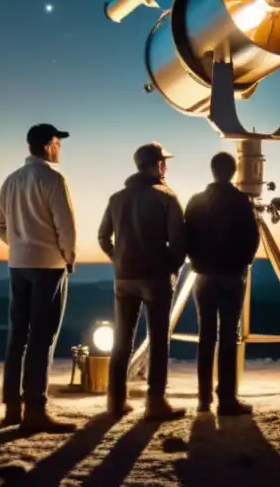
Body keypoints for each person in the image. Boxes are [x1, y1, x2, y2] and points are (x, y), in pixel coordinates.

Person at [0, 123, 78, 433]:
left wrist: (19, 246)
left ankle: (12, 407)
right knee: (43, 337)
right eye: (58, 143)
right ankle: (36, 409)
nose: (60, 149)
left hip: (18, 265)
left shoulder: (11, 180)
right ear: (48, 146)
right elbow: (65, 226)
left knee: (18, 335)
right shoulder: (54, 179)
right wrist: (68, 256)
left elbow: (0, 225)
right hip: (49, 265)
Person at [98, 142, 188, 421]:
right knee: (158, 340)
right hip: (156, 277)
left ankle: (115, 402)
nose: (166, 167)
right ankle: (155, 402)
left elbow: (103, 237)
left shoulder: (116, 198)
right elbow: (179, 242)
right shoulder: (167, 196)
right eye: (164, 162)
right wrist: (170, 268)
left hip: (123, 278)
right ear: (156, 165)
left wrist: (119, 259)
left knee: (122, 341)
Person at [184, 151, 260, 415]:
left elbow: (186, 236)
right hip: (231, 276)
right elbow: (252, 238)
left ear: (212, 170)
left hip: (203, 277)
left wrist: (197, 261)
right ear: (234, 171)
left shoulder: (196, 201)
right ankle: (227, 399)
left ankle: (203, 399)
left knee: (206, 337)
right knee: (228, 336)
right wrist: (243, 264)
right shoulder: (241, 202)